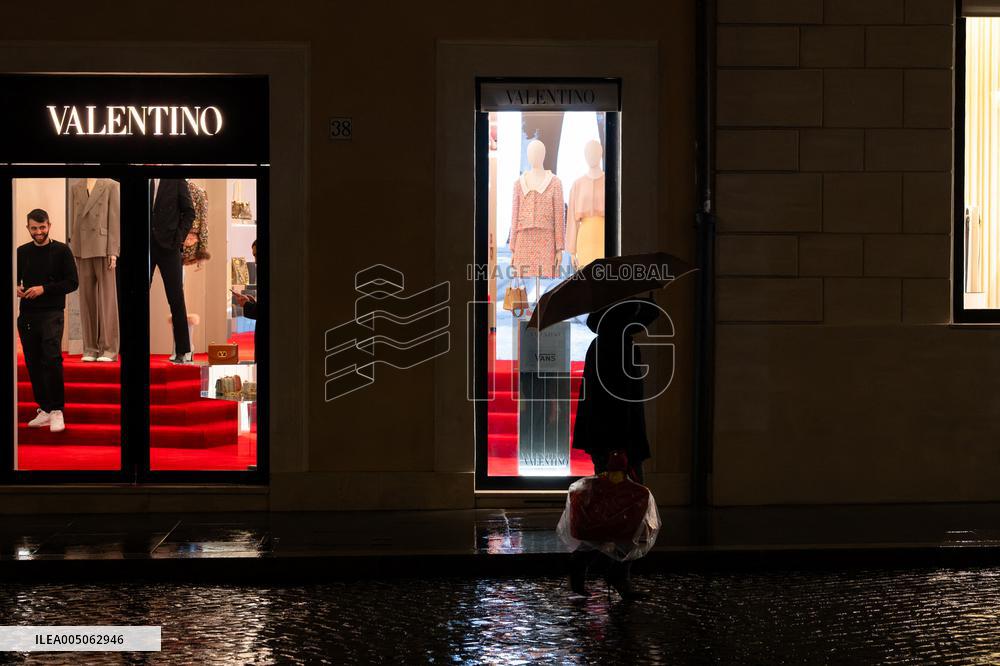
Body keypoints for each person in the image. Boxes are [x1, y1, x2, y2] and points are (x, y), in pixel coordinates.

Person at [569, 297, 661, 599]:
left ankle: (591, 566)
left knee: (611, 507)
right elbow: (618, 402)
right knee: (625, 511)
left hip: (612, 442)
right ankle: (614, 574)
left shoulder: (604, 344)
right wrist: (621, 449)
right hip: (620, 443)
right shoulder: (619, 346)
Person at [16, 208, 79, 433]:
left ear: (49, 225)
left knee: (51, 360)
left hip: (52, 312)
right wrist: (17, 288)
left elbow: (72, 283)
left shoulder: (62, 250)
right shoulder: (21, 252)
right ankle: (43, 409)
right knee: (33, 362)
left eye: (42, 227)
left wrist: (44, 289)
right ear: (28, 228)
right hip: (27, 314)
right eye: (34, 228)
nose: (39, 232)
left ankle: (57, 411)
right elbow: (15, 279)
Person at [150, 178, 196, 363]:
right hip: (146, 246)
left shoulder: (176, 178)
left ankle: (183, 350)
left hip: (169, 246)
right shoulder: (144, 179)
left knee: (176, 298)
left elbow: (189, 212)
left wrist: (178, 238)